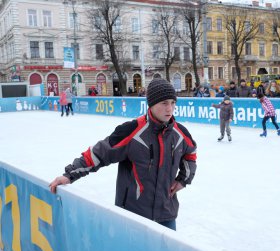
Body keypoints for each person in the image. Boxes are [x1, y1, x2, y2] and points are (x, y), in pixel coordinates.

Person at [49, 78, 197, 231]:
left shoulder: (180, 133)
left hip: (166, 215)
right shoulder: (131, 130)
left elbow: (190, 155)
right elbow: (99, 153)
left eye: (173, 103)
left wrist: (183, 180)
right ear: (151, 104)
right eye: (164, 103)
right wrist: (70, 174)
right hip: (132, 216)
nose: (170, 109)